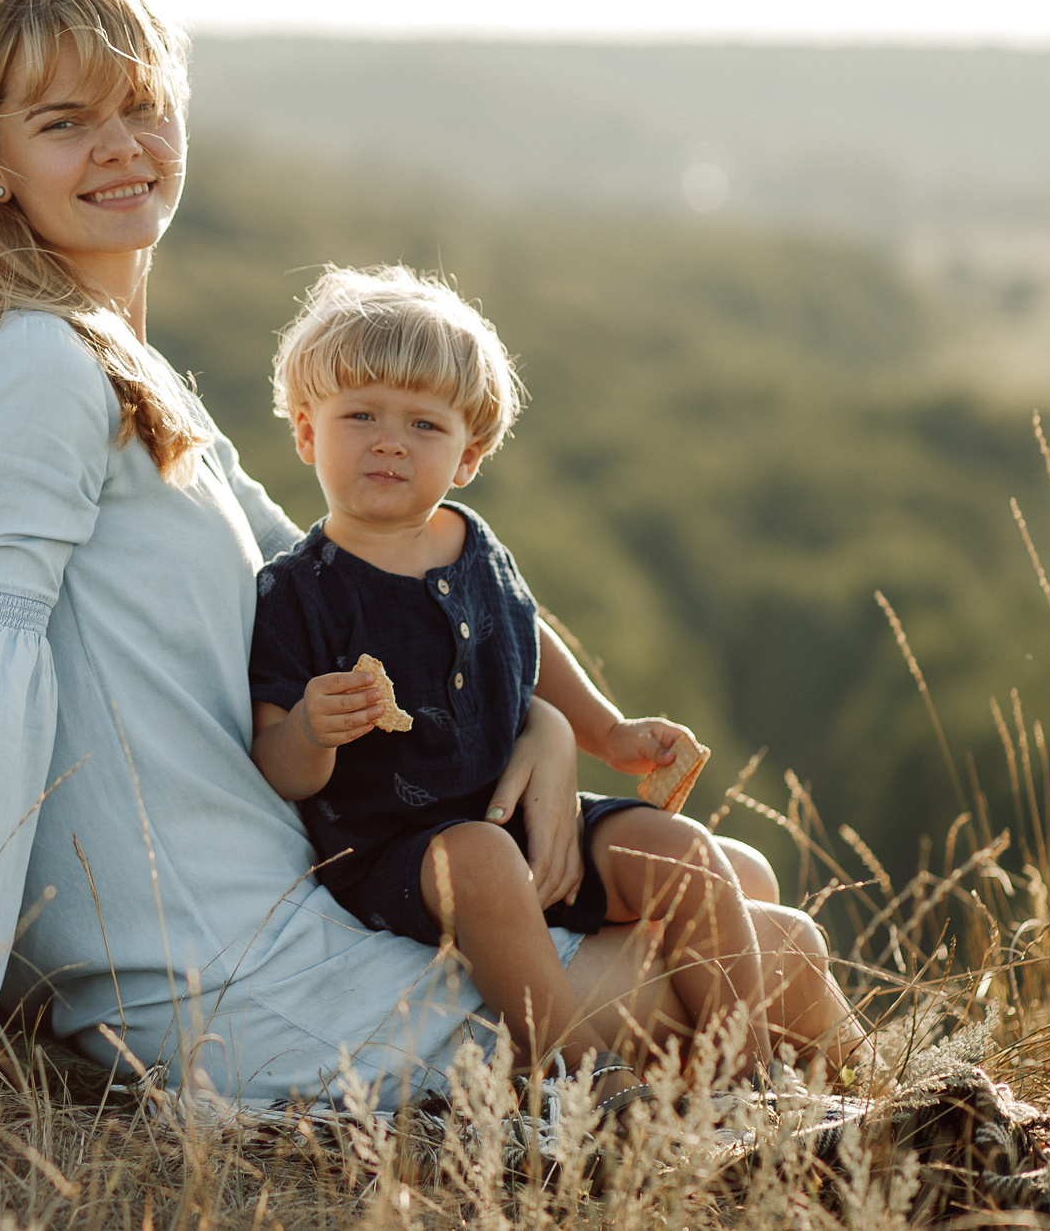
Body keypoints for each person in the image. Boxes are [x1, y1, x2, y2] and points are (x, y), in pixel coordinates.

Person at [0, 0, 863, 1111]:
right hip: (232, 981)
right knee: (782, 949)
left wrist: (549, 728)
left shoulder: (125, 373)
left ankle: (911, 1135)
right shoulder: (38, 368)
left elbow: (374, 588)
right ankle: (963, 1136)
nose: (122, 146)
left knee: (736, 882)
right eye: (67, 121)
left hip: (285, 911)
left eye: (142, 106)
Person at [247, 264, 774, 1077]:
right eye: (361, 415)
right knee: (484, 861)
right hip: (404, 855)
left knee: (688, 852)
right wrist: (315, 727)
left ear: (469, 454)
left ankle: (754, 1081)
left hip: (526, 816)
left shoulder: (473, 543)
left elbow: (529, 640)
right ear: (308, 433)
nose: (390, 439)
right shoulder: (297, 591)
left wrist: (610, 731)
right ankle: (580, 1077)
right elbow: (277, 762)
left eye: (425, 425)